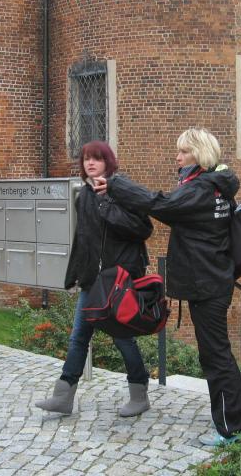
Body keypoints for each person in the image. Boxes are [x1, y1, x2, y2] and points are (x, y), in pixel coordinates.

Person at [93, 127, 241, 447]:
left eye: (184, 151)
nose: (177, 157)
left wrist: (116, 184)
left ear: (199, 154)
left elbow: (160, 204)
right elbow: (171, 209)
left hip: (206, 283)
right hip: (212, 277)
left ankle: (232, 428)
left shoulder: (201, 189)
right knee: (219, 350)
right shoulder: (215, 186)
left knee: (214, 356)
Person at [35, 141, 154, 418]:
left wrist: (107, 203)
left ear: (107, 163)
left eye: (97, 159)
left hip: (119, 280)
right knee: (79, 337)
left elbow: (142, 229)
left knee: (122, 339)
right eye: (86, 159)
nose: (90, 163)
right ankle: (63, 397)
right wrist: (74, 275)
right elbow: (83, 239)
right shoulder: (84, 195)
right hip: (92, 280)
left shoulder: (121, 192)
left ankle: (139, 394)